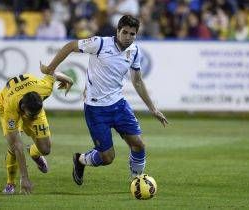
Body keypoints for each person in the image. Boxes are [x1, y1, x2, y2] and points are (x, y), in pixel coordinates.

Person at [41, 15, 168, 186]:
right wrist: (50, 69)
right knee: (107, 158)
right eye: (125, 32)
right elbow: (71, 46)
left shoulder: (134, 51)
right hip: (96, 109)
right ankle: (80, 160)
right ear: (118, 31)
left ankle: (137, 181)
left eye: (132, 34)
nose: (128, 37)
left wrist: (153, 109)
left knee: (139, 145)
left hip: (119, 105)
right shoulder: (100, 44)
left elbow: (137, 81)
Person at [0, 63, 73, 194]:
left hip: (30, 101)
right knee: (13, 147)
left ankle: (33, 152)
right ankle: (10, 183)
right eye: (32, 115)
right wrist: (25, 178)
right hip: (5, 102)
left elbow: (52, 74)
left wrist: (69, 80)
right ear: (23, 108)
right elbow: (17, 144)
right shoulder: (10, 108)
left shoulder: (44, 89)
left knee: (45, 149)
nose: (34, 118)